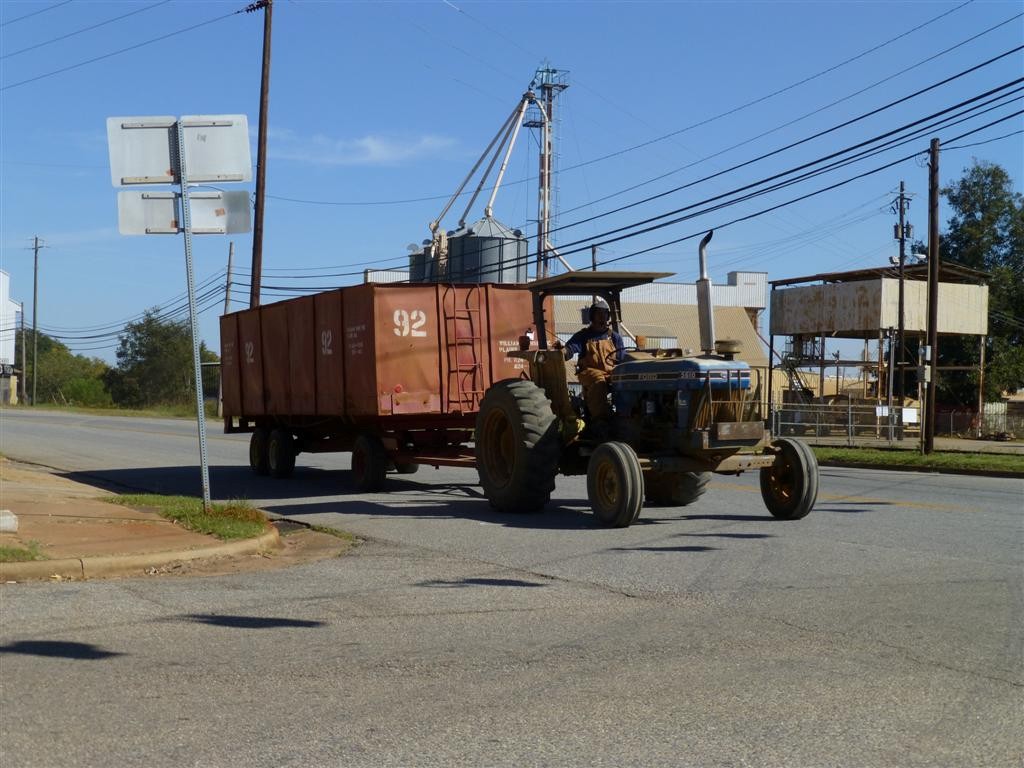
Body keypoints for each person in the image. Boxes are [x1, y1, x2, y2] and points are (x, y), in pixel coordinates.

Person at [562, 298, 624, 426]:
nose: (602, 316)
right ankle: (600, 420)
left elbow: (622, 358)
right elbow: (570, 348)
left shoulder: (614, 337)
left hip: (611, 372)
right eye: (598, 313)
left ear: (608, 316)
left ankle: (625, 415)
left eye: (605, 313)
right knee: (598, 380)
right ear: (592, 316)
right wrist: (563, 351)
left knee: (628, 380)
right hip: (589, 372)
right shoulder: (583, 336)